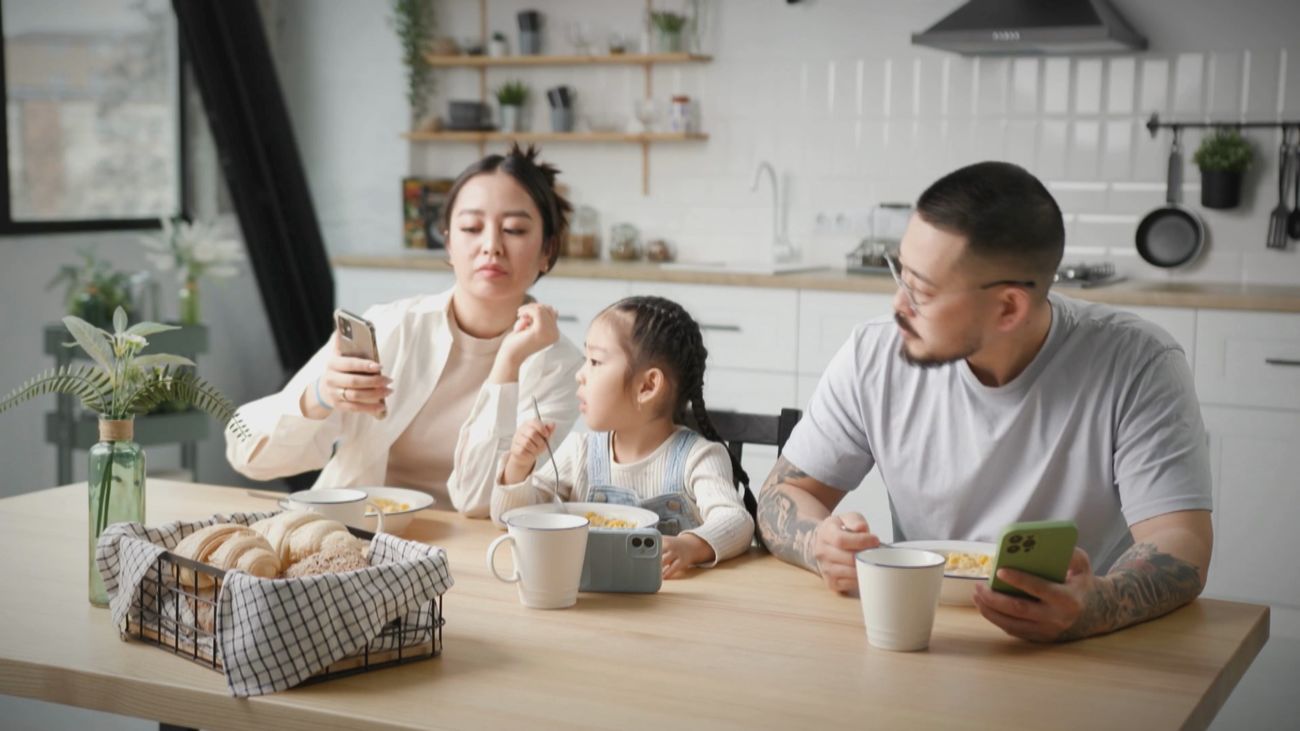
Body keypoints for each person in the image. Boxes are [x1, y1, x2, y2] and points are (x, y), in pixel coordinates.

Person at [757, 161, 1213, 642]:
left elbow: (1178, 542)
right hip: (924, 632)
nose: (898, 304)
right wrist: (817, 543)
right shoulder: (874, 355)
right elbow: (782, 493)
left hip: (1076, 646)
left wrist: (1095, 604)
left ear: (1008, 307)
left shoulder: (1137, 363)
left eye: (922, 290)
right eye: (900, 273)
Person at [226, 144, 584, 518]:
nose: (491, 246)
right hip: (355, 534)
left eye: (514, 229)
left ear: (548, 249)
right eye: (471, 228)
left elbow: (483, 503)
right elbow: (247, 454)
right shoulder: (391, 327)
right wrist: (320, 395)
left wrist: (507, 363)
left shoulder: (559, 366)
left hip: (473, 552)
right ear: (448, 243)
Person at [490, 295, 755, 579]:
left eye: (594, 361)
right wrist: (519, 465)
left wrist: (689, 546)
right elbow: (509, 520)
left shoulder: (698, 458)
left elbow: (736, 521)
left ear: (647, 386)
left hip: (673, 609)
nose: (580, 375)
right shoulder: (580, 452)